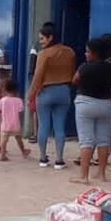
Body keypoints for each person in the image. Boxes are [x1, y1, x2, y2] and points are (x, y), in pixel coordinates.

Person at [27, 22, 76, 170]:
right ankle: (60, 160)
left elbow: (38, 75)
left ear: (50, 38)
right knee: (59, 126)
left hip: (46, 90)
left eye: (42, 39)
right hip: (64, 91)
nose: (40, 42)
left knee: (43, 126)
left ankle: (43, 158)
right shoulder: (70, 52)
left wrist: (31, 93)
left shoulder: (44, 54)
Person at [73, 37, 111, 185]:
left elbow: (74, 80)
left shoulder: (84, 68)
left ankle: (83, 176)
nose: (86, 54)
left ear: (95, 53)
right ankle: (101, 174)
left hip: (85, 103)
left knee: (86, 141)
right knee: (103, 140)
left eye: (88, 51)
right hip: (106, 105)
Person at [0, 78, 30, 162]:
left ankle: (2, 155)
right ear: (16, 90)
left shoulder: (2, 100)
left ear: (5, 89)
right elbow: (20, 112)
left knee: (4, 140)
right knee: (18, 138)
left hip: (5, 124)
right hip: (16, 124)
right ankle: (23, 151)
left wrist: (1, 120)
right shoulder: (19, 100)